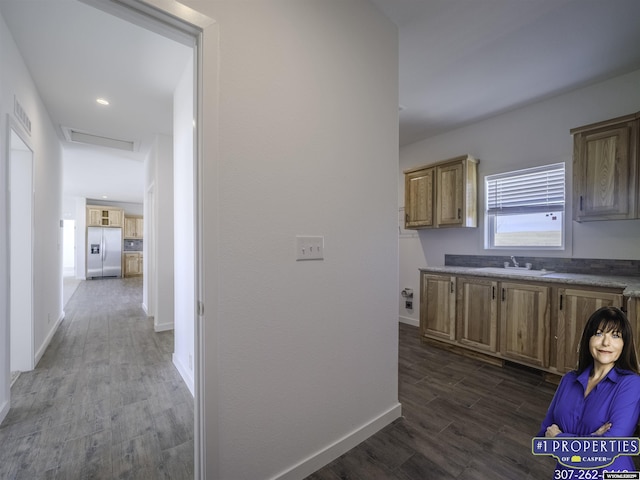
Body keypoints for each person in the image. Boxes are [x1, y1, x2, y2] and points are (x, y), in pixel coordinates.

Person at [537, 306, 640, 476]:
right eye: (599, 333)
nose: (606, 343)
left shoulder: (632, 384)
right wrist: (593, 439)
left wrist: (559, 439)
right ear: (588, 339)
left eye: (615, 335)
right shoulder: (568, 380)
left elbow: (608, 450)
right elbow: (542, 439)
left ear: (625, 344)